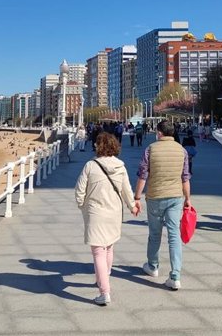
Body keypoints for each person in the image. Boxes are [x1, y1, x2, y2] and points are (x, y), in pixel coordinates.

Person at [75, 132, 138, 306]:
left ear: (99, 146)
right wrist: (132, 206)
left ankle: (104, 291)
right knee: (109, 246)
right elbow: (126, 190)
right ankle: (105, 277)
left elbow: (79, 190)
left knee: (98, 252)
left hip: (96, 212)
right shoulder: (121, 166)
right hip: (114, 212)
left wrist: (82, 206)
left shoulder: (90, 165)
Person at [133, 120, 191, 290]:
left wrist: (137, 197)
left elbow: (143, 175)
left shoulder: (150, 149)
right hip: (176, 197)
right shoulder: (182, 151)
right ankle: (175, 275)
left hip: (155, 197)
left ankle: (153, 266)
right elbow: (185, 177)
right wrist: (188, 198)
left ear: (159, 133)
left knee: (155, 234)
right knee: (174, 235)